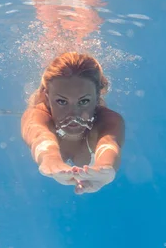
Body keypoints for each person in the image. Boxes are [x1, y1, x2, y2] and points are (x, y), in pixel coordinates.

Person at [21, 52, 124, 194]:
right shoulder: (36, 116)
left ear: (98, 97)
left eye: (84, 101)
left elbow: (109, 143)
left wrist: (105, 167)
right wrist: (50, 158)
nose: (73, 113)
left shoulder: (109, 120)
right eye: (62, 101)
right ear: (47, 97)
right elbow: (40, 136)